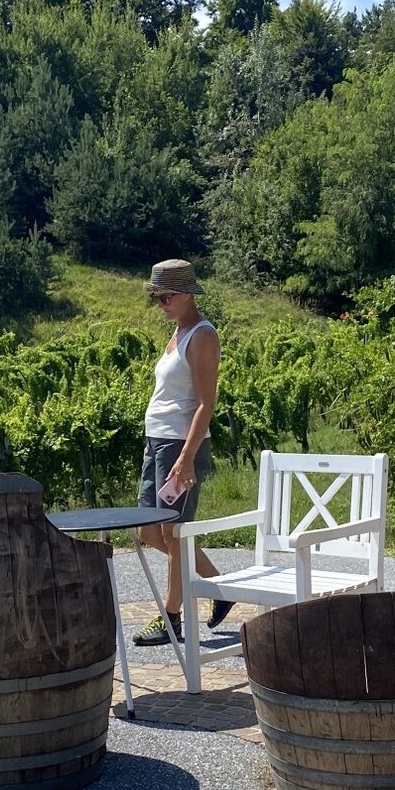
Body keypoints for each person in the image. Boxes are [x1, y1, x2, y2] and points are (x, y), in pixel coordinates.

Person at [133, 258, 229, 646]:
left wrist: (187, 456)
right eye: (156, 298)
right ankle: (221, 586)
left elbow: (206, 403)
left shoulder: (203, 335)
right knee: (148, 531)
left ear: (187, 294)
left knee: (173, 532)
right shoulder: (179, 332)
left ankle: (171, 617)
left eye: (166, 297)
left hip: (178, 444)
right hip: (158, 442)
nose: (161, 304)